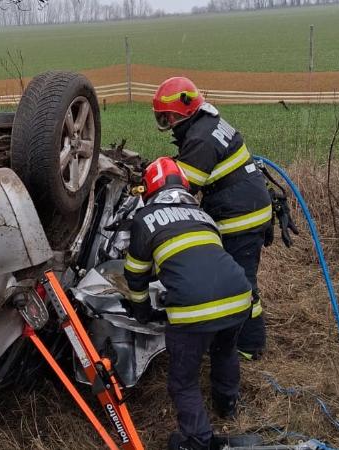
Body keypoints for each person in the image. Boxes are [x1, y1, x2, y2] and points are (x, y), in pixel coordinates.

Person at [123, 157, 253, 450]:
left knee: (183, 381)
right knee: (224, 350)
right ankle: (227, 403)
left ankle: (195, 438)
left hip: (194, 311)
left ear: (150, 189)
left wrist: (141, 309)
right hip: (239, 297)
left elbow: (134, 274)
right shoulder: (204, 216)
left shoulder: (146, 219)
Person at [151, 77, 272, 360]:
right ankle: (235, 336)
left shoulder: (200, 139)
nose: (166, 121)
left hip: (241, 218)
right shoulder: (207, 123)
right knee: (237, 278)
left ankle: (249, 347)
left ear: (181, 112)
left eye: (167, 116)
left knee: (242, 283)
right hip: (248, 206)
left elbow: (180, 187)